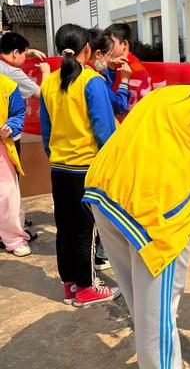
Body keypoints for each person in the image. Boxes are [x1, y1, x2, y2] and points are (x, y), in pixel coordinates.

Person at [83, 66, 190, 368]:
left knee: (143, 303)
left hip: (103, 195)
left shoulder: (170, 94)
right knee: (157, 319)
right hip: (151, 217)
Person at [40, 23, 120, 307]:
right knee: (87, 229)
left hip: (59, 168)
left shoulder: (48, 82)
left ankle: (70, 285)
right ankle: (87, 287)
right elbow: (105, 131)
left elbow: (46, 130)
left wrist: (55, 154)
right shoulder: (91, 81)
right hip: (86, 168)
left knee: (65, 227)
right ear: (88, 48)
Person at [87, 27, 133, 271]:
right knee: (100, 210)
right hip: (97, 156)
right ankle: (99, 254)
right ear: (94, 54)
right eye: (105, 53)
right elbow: (115, 108)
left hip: (66, 161)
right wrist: (124, 81)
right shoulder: (93, 80)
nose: (110, 57)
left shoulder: (59, 78)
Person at [0, 32, 50, 241]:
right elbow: (45, 95)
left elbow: (15, 55)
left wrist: (28, 53)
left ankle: (12, 221)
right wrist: (46, 72)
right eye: (23, 54)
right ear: (14, 53)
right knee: (9, 186)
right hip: (8, 137)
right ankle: (11, 231)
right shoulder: (12, 73)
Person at [0, 72, 29, 256]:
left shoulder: (8, 86)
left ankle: (14, 238)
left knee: (8, 194)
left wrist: (11, 126)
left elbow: (18, 113)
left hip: (1, 145)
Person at [104, 23, 151, 115]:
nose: (106, 48)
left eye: (110, 43)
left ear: (124, 44)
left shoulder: (137, 69)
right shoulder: (112, 66)